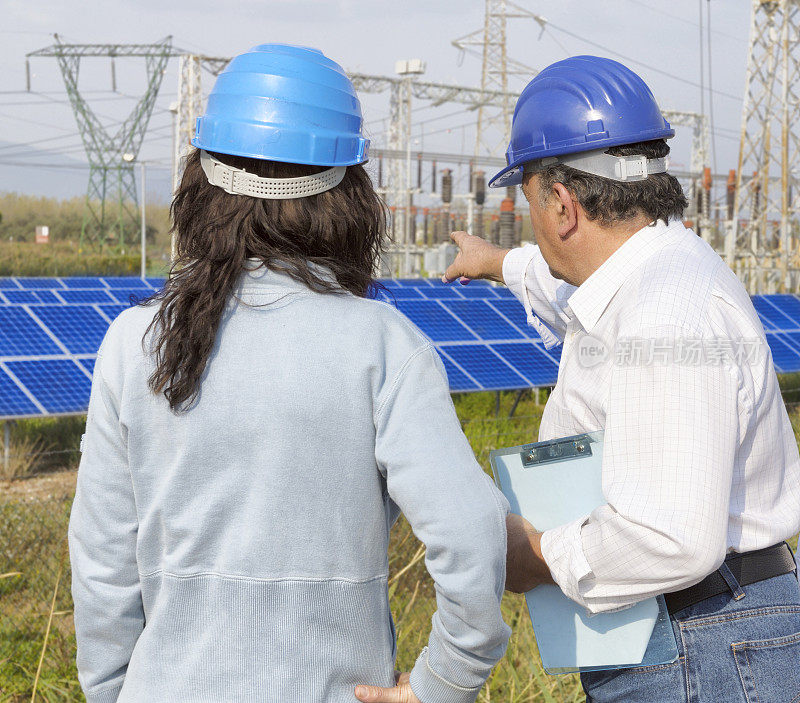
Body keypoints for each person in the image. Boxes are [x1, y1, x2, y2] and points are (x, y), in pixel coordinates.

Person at [68, 43, 510, 703]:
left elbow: (101, 562)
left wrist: (113, 690)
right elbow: (473, 533)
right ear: (349, 194)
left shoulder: (137, 341)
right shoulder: (381, 343)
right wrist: (441, 684)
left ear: (201, 182)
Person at [444, 55, 800, 702]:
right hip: (704, 633)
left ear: (561, 203)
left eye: (528, 202)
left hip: (701, 641)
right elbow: (566, 292)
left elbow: (674, 535)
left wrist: (542, 555)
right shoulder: (655, 274)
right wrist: (498, 262)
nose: (532, 223)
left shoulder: (662, 313)